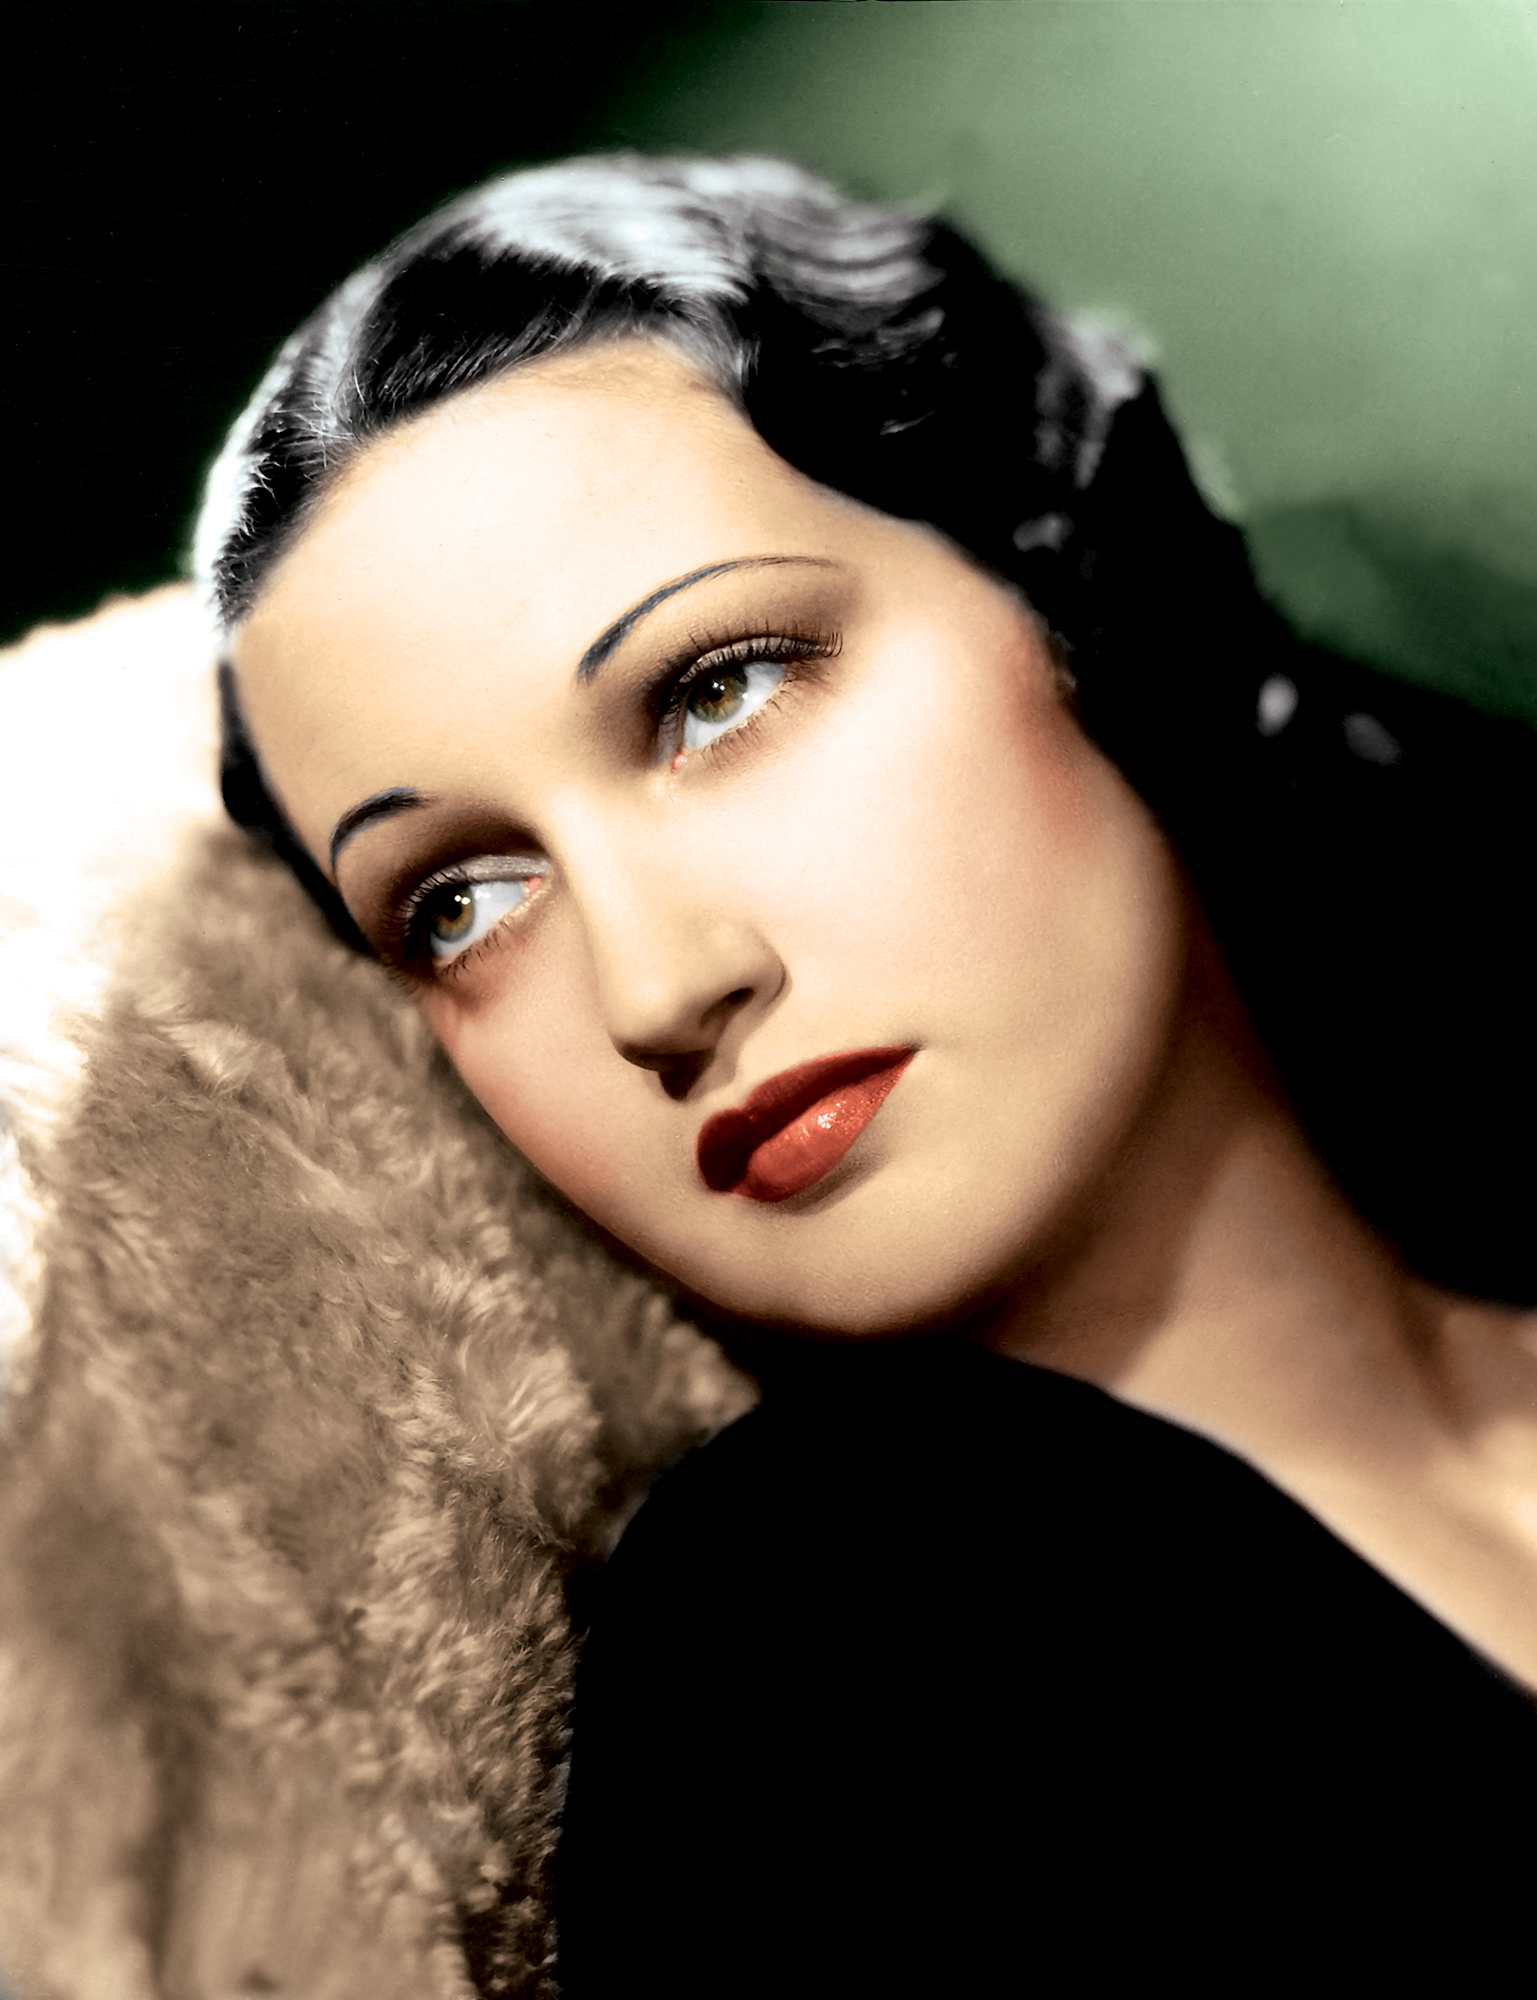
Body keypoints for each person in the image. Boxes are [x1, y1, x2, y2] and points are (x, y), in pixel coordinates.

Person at [4, 152, 1536, 1996]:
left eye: (716, 687)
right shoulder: (830, 1659)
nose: (659, 987)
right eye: (459, 902)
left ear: (1070, 581)